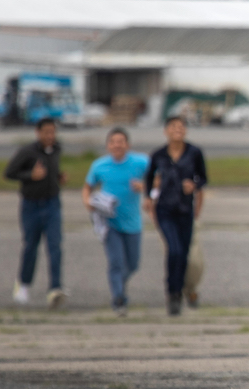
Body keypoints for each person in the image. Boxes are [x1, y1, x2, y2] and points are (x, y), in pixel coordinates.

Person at [82, 127, 150, 316]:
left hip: (133, 222)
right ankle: (118, 298)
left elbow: (160, 179)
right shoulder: (99, 166)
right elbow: (87, 187)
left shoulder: (141, 162)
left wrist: (144, 186)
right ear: (108, 145)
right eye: (113, 142)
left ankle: (120, 283)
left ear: (128, 144)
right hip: (109, 222)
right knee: (116, 262)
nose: (117, 145)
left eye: (121, 141)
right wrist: (87, 202)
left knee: (133, 264)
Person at [144, 116, 208, 316]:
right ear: (166, 131)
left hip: (185, 209)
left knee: (184, 253)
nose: (177, 130)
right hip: (165, 209)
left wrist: (194, 185)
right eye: (173, 127)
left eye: (181, 127)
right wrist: (148, 197)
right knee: (174, 250)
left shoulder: (194, 152)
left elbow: (203, 177)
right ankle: (172, 293)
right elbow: (148, 177)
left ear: (185, 131)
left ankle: (180, 290)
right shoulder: (158, 155)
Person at [5, 117, 67, 309]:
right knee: (31, 246)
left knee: (55, 246)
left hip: (52, 203)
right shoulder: (27, 152)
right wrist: (30, 176)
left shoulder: (56, 149)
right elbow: (9, 173)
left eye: (53, 132)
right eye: (46, 132)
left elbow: (51, 170)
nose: (50, 136)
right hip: (31, 205)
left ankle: (55, 288)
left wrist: (58, 177)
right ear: (38, 133)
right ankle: (23, 284)